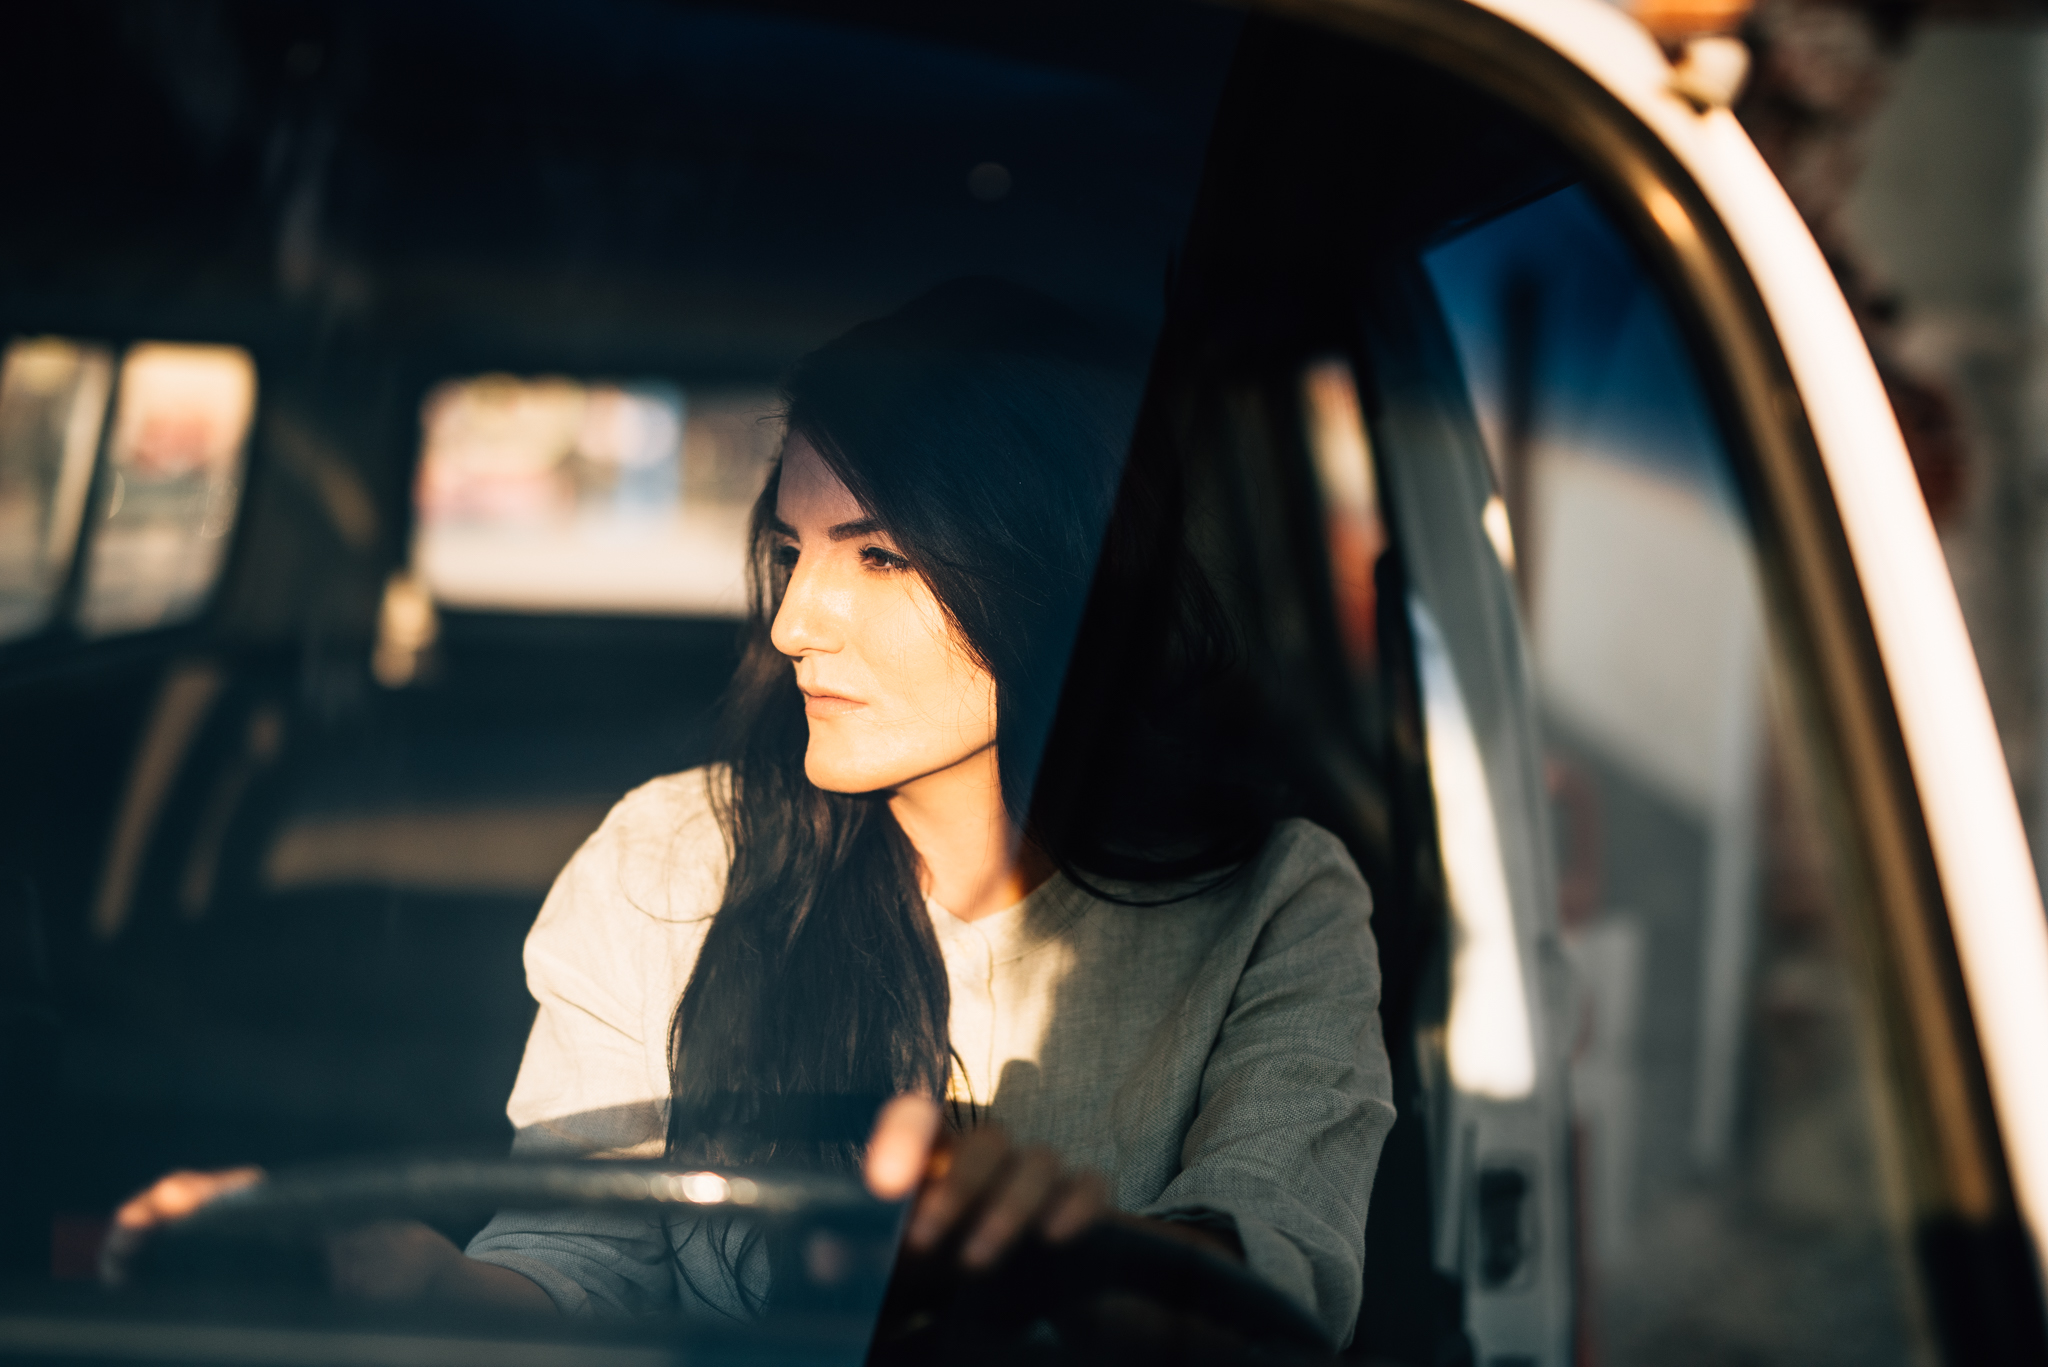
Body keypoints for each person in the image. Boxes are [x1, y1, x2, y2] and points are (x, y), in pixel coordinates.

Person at [104, 279, 1395, 1346]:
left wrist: (1066, 1256)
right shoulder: (675, 855)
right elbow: (582, 1265)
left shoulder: (1279, 896)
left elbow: (1277, 1287)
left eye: (881, 557)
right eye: (793, 550)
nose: (793, 625)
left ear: (1065, 571)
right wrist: (413, 1283)